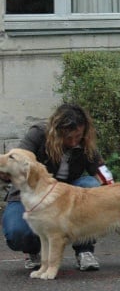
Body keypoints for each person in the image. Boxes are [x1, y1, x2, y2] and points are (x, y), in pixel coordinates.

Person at [2, 103, 108, 271]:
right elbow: (17, 161)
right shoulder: (38, 133)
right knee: (17, 233)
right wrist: (6, 175)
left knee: (92, 186)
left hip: (68, 193)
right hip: (31, 193)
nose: (73, 142)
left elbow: (101, 171)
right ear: (56, 131)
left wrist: (114, 189)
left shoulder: (85, 142)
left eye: (78, 136)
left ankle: (84, 250)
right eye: (68, 137)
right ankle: (34, 251)